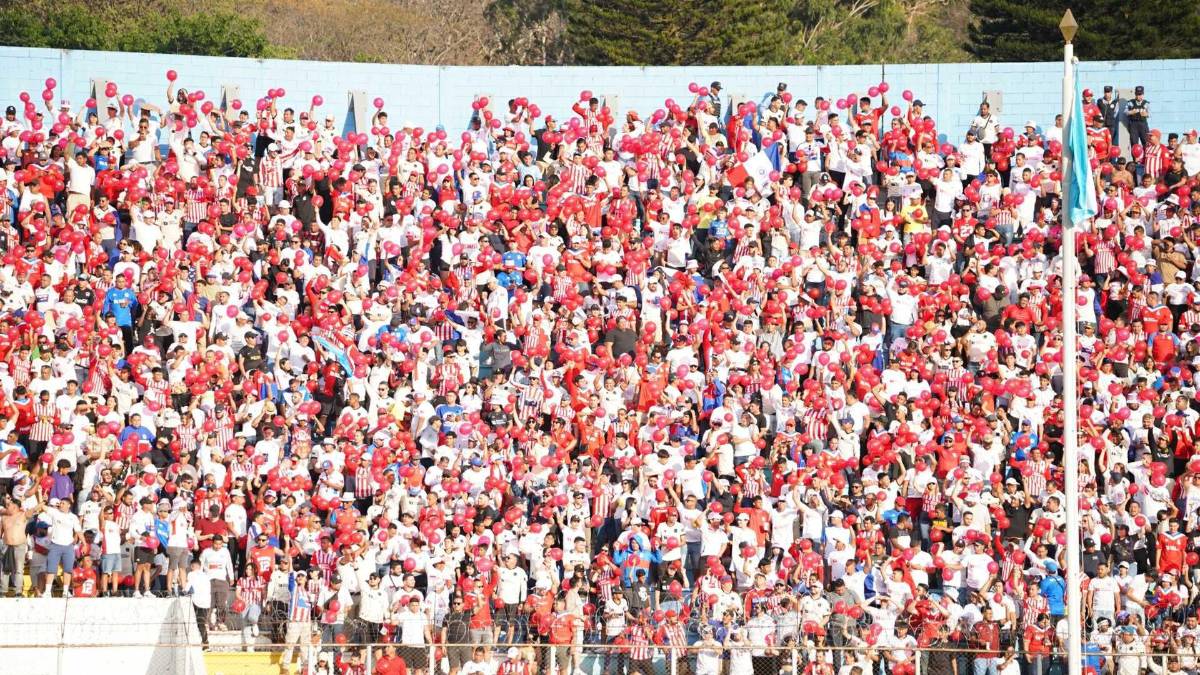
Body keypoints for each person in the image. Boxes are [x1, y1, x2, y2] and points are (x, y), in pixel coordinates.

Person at [185, 559, 211, 649]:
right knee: (201, 623)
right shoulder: (206, 575)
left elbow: (186, 588)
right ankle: (205, 642)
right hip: (206, 602)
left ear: (192, 566)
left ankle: (203, 642)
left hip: (196, 602)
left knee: (196, 622)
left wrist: (183, 590)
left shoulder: (191, 574)